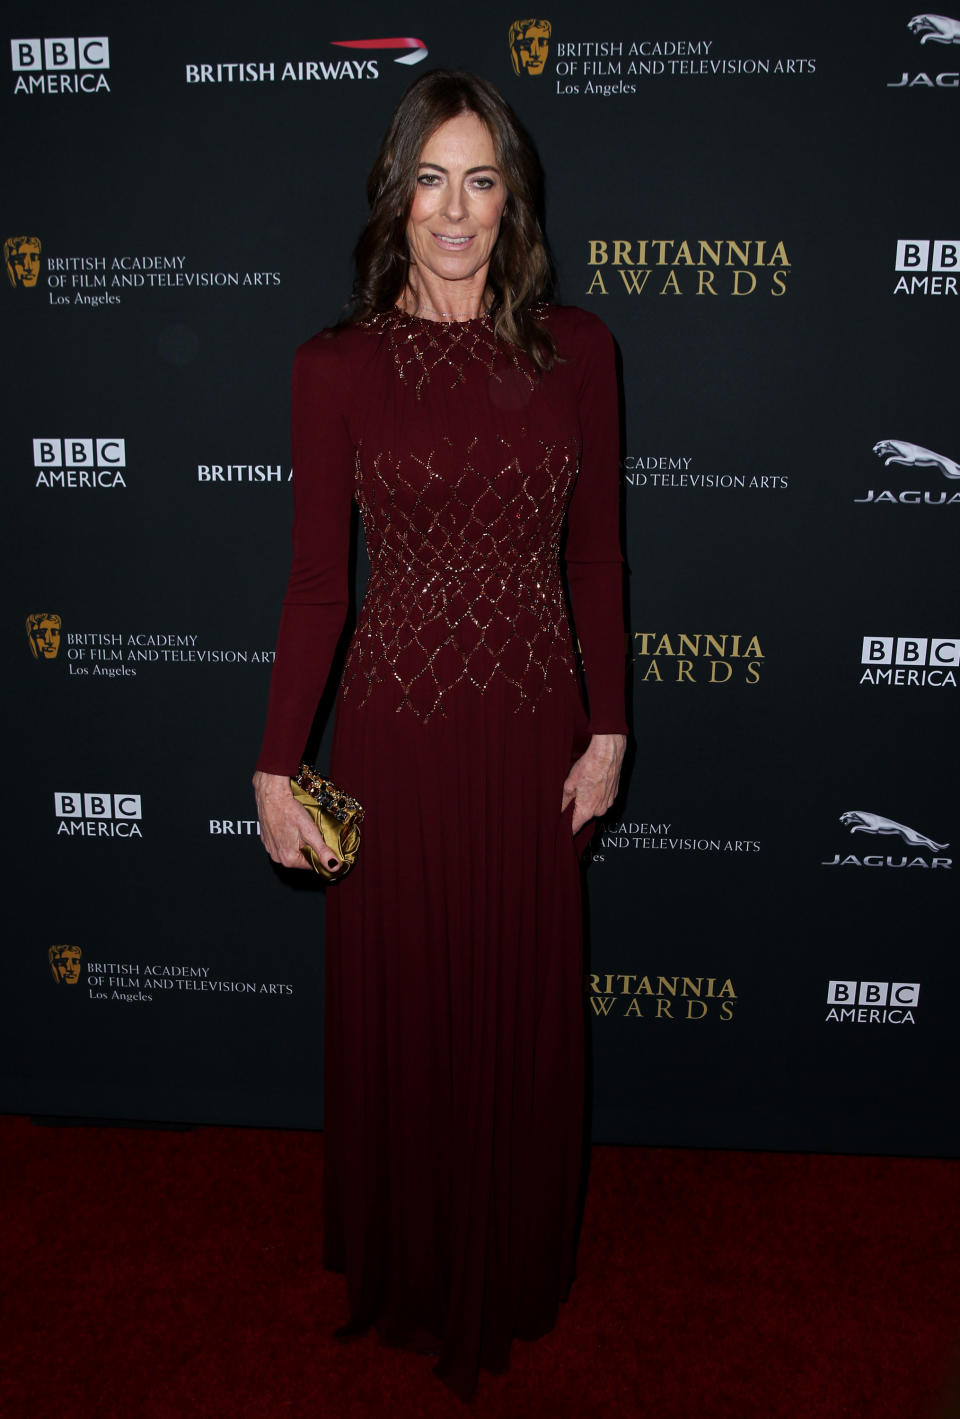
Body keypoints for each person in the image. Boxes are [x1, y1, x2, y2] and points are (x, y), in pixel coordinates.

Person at [253, 69, 628, 1402]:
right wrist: (272, 761)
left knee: (513, 1007)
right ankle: (411, 1265)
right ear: (395, 196)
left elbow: (597, 562)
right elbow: (315, 586)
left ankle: (508, 1264)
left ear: (511, 197)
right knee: (407, 1003)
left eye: (482, 180)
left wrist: (611, 731)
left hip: (532, 735)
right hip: (398, 741)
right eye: (431, 179)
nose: (455, 210)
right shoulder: (332, 367)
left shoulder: (578, 352)